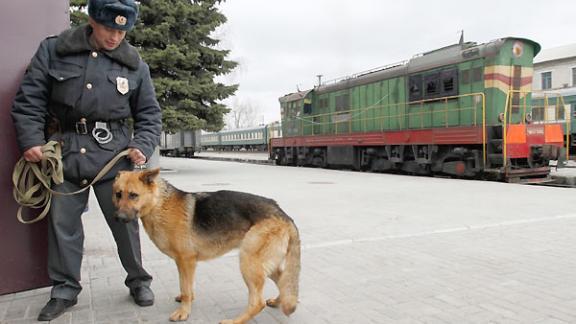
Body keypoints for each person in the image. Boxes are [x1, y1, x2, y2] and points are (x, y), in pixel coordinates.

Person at [11, 0, 162, 321]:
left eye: (123, 30)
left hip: (114, 158)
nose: (115, 37)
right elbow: (30, 100)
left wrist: (142, 146)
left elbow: (150, 115)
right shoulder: (55, 50)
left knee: (126, 224)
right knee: (62, 226)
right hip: (64, 153)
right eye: (110, 28)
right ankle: (64, 290)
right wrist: (31, 141)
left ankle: (138, 280)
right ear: (92, 20)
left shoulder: (134, 64)